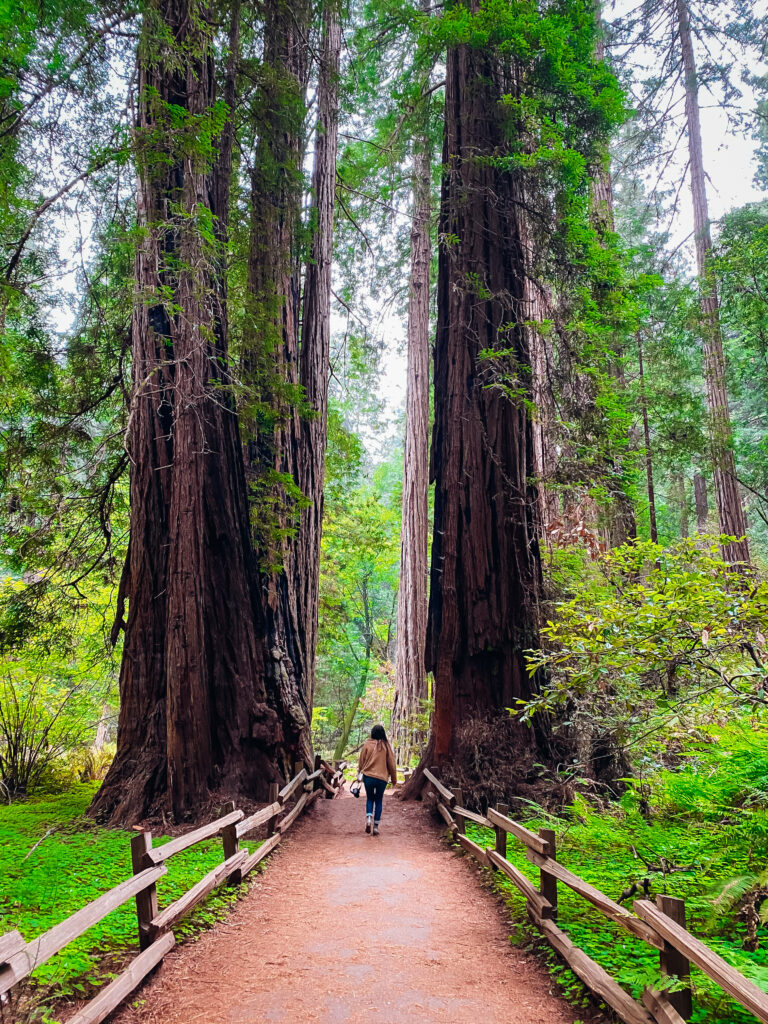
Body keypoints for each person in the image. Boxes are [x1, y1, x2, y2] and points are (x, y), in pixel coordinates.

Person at [356, 724, 398, 835]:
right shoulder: (386, 746)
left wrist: (359, 772)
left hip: (368, 776)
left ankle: (369, 818)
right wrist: (394, 779)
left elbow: (361, 761)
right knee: (378, 800)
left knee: (370, 798)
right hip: (382, 778)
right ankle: (375, 827)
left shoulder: (367, 744)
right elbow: (391, 764)